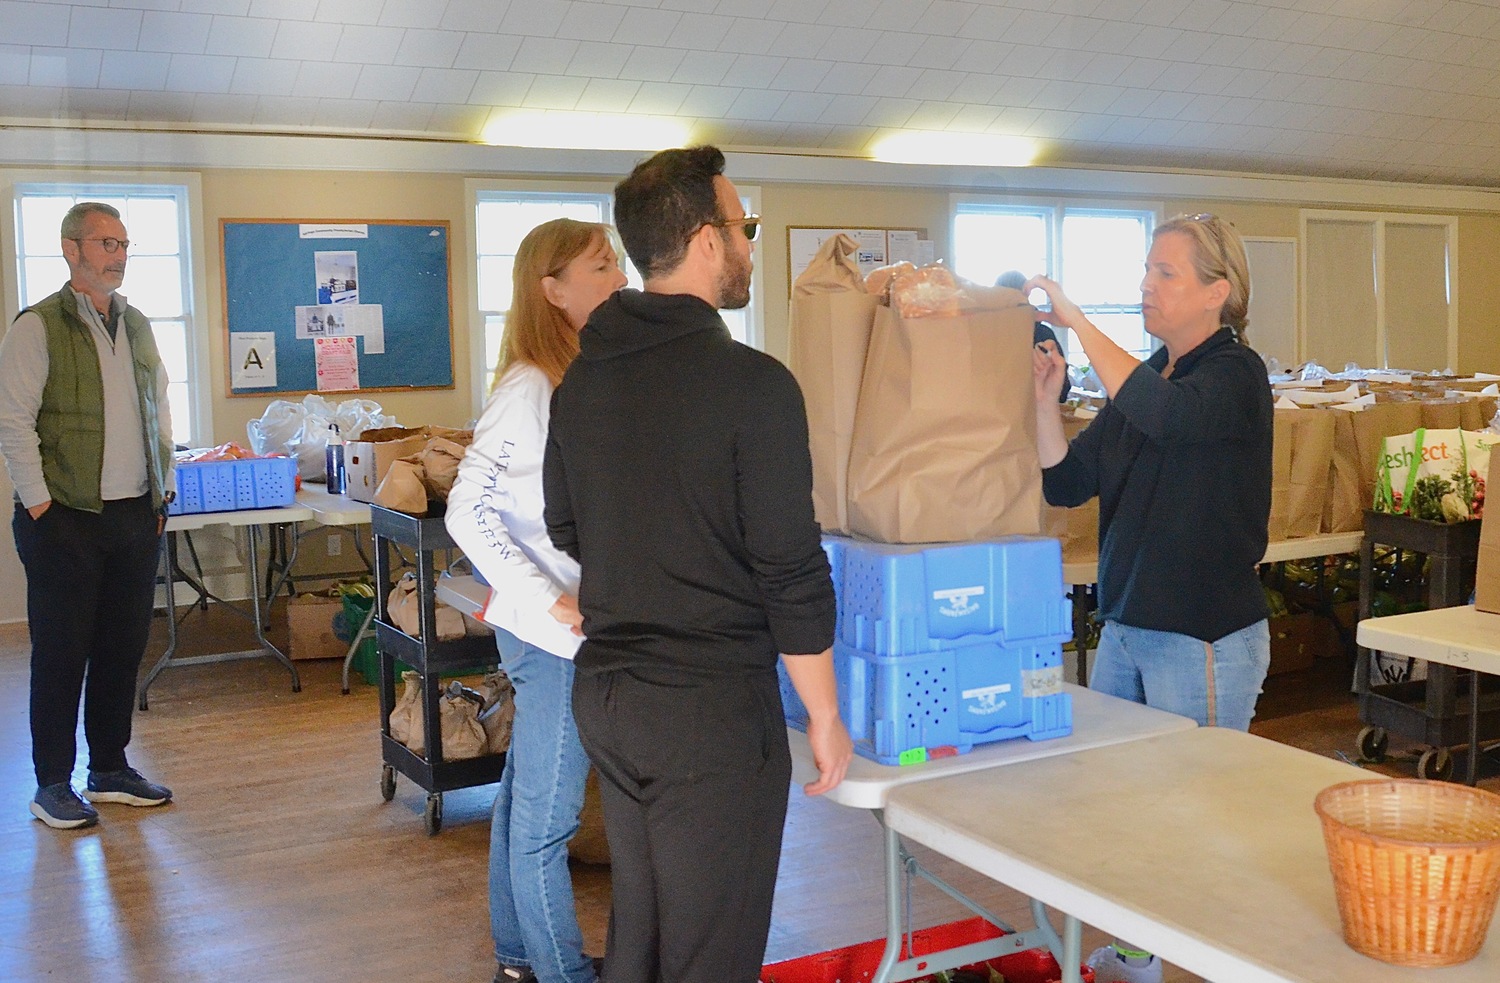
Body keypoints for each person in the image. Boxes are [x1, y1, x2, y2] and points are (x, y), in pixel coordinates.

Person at [542, 145, 853, 983]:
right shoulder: (753, 385)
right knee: (710, 952)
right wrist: (823, 712)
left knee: (642, 939)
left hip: (609, 697)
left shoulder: (582, 384)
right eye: (744, 226)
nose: (749, 244)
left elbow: (565, 524)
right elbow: (791, 568)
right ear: (708, 240)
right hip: (709, 715)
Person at [1025, 213, 1272, 983]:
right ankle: (1139, 957)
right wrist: (1044, 398)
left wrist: (1077, 319)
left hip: (1200, 638)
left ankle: (1211, 963)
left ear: (1216, 292)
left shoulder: (1234, 375)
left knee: (1191, 822)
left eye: (1165, 272)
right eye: (1146, 269)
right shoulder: (1149, 384)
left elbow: (1170, 418)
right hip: (1128, 627)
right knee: (1129, 816)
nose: (1146, 286)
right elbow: (1067, 480)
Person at [446, 218, 626, 983]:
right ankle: (562, 973)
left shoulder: (575, 374)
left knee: (523, 804)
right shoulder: (529, 385)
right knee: (547, 825)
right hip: (552, 640)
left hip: (554, 632)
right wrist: (548, 597)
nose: (617, 274)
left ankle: (519, 960)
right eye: (599, 265)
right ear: (551, 289)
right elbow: (465, 509)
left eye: (615, 260)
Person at [0, 201, 177, 830]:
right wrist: (42, 506)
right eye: (107, 243)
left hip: (135, 513)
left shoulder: (139, 326)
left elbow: (159, 409)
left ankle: (108, 768)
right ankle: (52, 782)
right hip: (64, 518)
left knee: (121, 647)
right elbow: (14, 423)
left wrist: (166, 493)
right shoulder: (37, 326)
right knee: (60, 652)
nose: (119, 255)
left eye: (125, 244)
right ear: (71, 249)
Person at [997, 269, 1069, 402]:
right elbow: (1063, 390)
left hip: (1012, 415)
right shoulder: (1042, 333)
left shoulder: (988, 335)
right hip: (1038, 414)